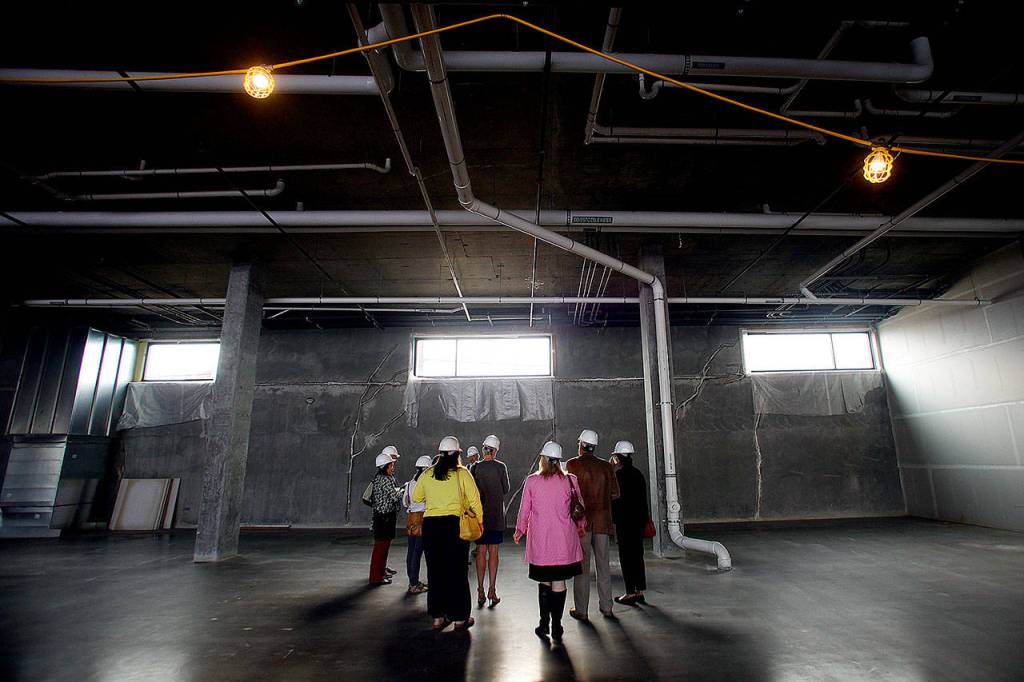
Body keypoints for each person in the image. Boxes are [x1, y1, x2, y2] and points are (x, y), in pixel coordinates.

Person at [515, 441, 585, 643]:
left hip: (541, 541)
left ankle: (543, 623)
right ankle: (557, 625)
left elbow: (524, 509)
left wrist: (520, 530)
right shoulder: (570, 480)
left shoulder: (532, 481)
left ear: (543, 459)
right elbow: (579, 508)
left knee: (544, 580)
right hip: (564, 541)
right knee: (559, 582)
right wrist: (581, 525)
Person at [412, 436, 483, 630]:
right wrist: (479, 521)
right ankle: (460, 618)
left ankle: (438, 617)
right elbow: (475, 501)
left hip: (431, 527)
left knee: (435, 572)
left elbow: (416, 497)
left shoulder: (427, 474)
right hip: (454, 526)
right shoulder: (462, 474)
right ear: (458, 454)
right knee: (458, 572)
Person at [566, 428, 620, 620]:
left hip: (581, 525)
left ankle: (581, 610)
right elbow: (615, 493)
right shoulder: (606, 467)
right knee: (603, 565)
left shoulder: (571, 465)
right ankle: (607, 607)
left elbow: (566, 495)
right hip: (602, 523)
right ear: (594, 447)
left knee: (581, 567)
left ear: (581, 445)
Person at [472, 434, 510, 607]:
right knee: (493, 553)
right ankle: (491, 590)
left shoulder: (474, 468)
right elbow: (506, 488)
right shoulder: (501, 467)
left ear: (483, 449)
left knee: (481, 552)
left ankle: (479, 590)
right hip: (495, 516)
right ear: (496, 451)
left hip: (480, 517)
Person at [610, 441, 649, 605]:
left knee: (626, 557)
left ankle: (630, 592)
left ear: (617, 458)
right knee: (637, 556)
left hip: (625, 523)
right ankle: (639, 590)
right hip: (638, 522)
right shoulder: (638, 474)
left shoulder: (618, 476)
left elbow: (614, 500)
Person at [369, 450, 402, 586]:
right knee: (380, 548)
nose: (393, 468)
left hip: (384, 518)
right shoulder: (384, 479)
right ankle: (376, 577)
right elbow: (394, 496)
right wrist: (403, 491)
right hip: (384, 518)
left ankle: (380, 573)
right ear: (385, 467)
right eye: (391, 466)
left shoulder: (379, 478)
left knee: (383, 547)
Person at [403, 455, 434, 595]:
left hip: (411, 520)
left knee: (411, 552)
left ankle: (412, 581)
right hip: (422, 520)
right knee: (419, 553)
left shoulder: (409, 483)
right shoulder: (426, 484)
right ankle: (415, 584)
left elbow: (405, 503)